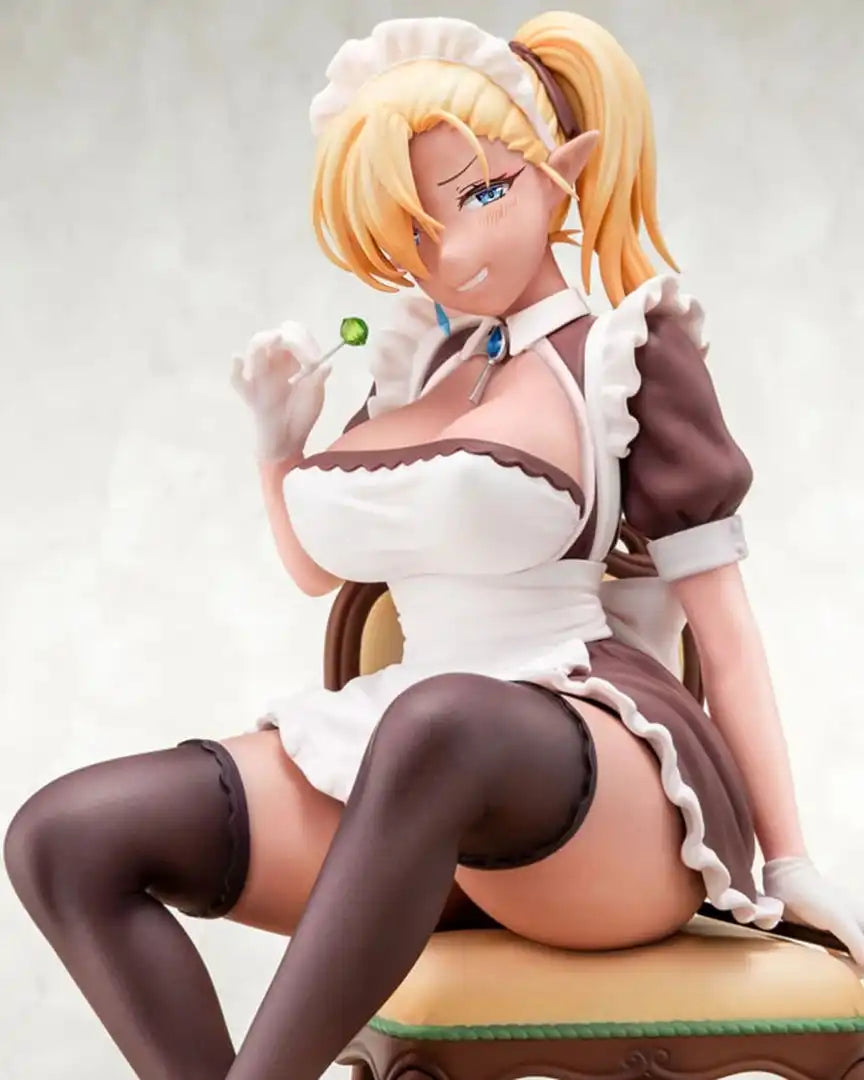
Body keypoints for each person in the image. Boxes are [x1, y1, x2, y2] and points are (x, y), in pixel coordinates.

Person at [5, 12, 863, 1080]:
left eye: (479, 195)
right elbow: (321, 571)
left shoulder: (624, 355)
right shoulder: (420, 364)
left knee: (441, 721)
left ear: (563, 173)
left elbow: (726, 637)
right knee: (66, 837)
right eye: (410, 232)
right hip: (419, 781)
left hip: (601, 781)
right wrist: (279, 448)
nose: (447, 252)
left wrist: (791, 860)